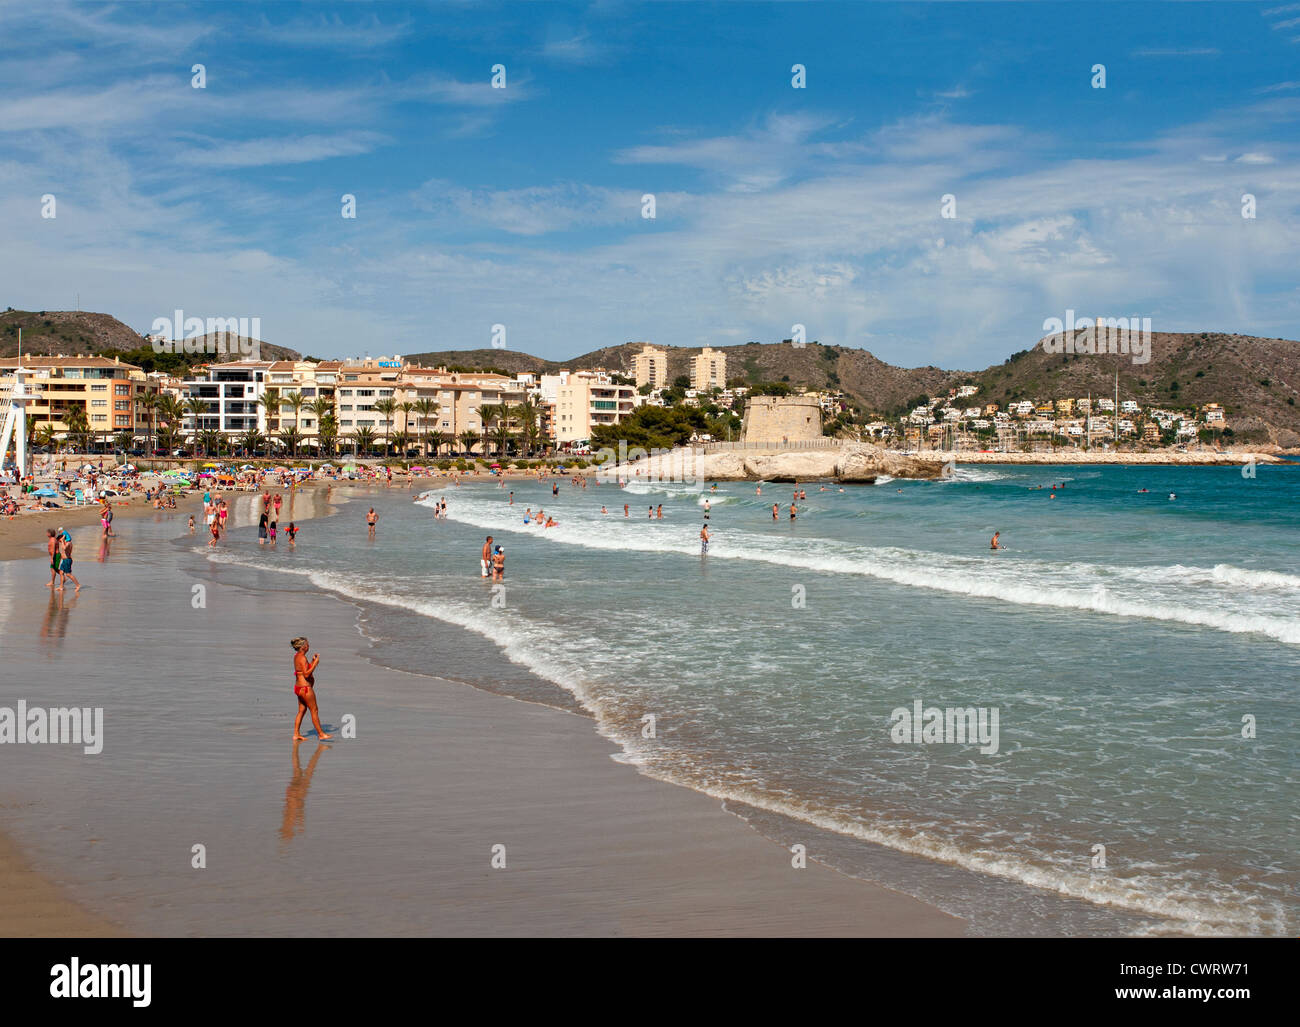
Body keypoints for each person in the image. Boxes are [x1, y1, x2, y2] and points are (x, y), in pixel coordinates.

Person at [291, 637, 331, 741]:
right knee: (314, 710)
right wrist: (316, 664)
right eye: (308, 644)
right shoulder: (302, 658)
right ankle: (321, 734)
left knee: (301, 710)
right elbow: (307, 674)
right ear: (303, 647)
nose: (309, 646)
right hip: (305, 689)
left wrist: (313, 661)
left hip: (298, 688)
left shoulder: (297, 656)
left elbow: (303, 670)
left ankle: (296, 734)